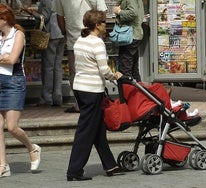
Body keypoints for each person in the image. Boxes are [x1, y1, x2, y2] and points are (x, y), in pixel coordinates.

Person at [66, 10, 123, 181]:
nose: (106, 25)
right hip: (92, 90)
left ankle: (110, 164)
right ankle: (74, 170)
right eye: (104, 22)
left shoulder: (80, 41)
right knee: (85, 131)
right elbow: (104, 70)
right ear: (97, 25)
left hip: (80, 88)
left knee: (97, 128)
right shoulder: (97, 43)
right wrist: (115, 76)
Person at [0, 4, 41, 177]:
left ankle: (32, 148)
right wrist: (4, 58)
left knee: (11, 127)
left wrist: (7, 58)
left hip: (13, 82)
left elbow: (13, 60)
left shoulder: (19, 35)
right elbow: (7, 59)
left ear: (4, 19)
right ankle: (3, 165)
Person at [54, 0, 107, 113]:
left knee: (75, 73)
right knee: (97, 69)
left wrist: (65, 33)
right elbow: (103, 12)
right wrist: (100, 30)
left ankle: (80, 104)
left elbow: (60, 17)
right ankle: (96, 102)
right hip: (93, 36)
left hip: (73, 39)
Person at [23, 0, 65, 106]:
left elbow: (45, 17)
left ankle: (47, 98)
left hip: (50, 34)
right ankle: (57, 97)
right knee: (57, 66)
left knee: (48, 67)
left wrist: (32, 13)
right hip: (61, 33)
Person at [113, 0, 144, 82]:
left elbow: (133, 13)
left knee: (125, 70)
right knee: (133, 69)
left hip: (129, 36)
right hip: (132, 35)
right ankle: (138, 93)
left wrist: (119, 11)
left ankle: (127, 93)